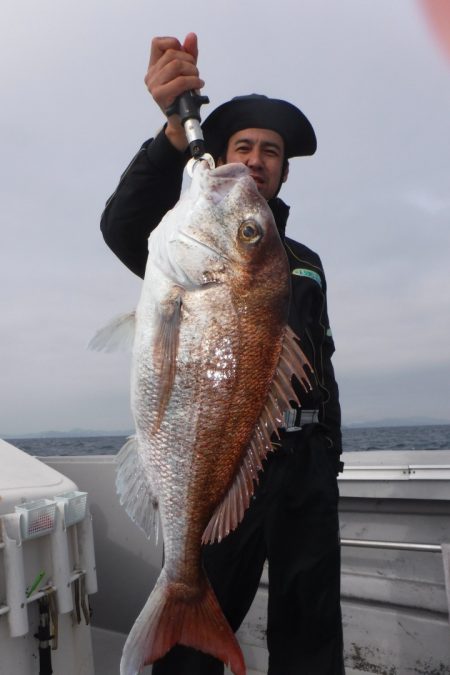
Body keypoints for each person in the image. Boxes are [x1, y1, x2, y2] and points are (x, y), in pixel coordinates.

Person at [100, 33, 345, 675]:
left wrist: (331, 461)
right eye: (243, 147)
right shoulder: (183, 247)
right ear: (222, 155)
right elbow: (122, 226)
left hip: (307, 476)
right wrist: (171, 139)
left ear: (284, 170)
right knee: (189, 657)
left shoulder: (307, 265)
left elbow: (319, 364)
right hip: (229, 458)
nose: (257, 159)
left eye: (272, 151)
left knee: (311, 635)